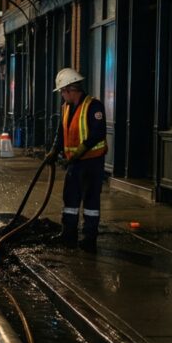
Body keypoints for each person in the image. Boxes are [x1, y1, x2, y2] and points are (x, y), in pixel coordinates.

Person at [45, 68, 107, 253]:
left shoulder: (94, 106)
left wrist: (79, 151)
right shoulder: (66, 107)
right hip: (75, 162)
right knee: (70, 198)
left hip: (92, 162)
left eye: (63, 92)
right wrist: (54, 150)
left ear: (70, 89)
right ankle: (69, 234)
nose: (62, 96)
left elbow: (98, 133)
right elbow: (61, 131)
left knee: (90, 201)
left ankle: (89, 237)